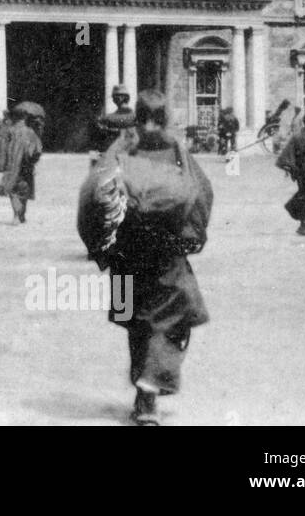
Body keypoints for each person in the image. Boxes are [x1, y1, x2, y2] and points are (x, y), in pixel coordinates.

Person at [77, 89, 212, 426]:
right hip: (167, 252)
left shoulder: (122, 146)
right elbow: (202, 194)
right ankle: (148, 391)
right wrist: (192, 237)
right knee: (169, 319)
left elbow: (91, 194)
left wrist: (100, 248)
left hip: (124, 253)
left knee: (132, 318)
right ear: (166, 115)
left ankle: (144, 391)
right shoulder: (176, 148)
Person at [0, 107, 42, 224]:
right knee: (24, 190)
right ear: (25, 117)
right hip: (26, 165)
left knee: (13, 190)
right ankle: (22, 215)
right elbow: (38, 149)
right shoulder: (31, 132)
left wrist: (2, 164)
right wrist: (33, 161)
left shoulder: (10, 131)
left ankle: (16, 215)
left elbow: (2, 148)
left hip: (12, 165)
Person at [91, 85, 135, 161]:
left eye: (115, 97)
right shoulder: (112, 116)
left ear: (121, 98)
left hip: (124, 152)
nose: (114, 99)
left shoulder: (129, 115)